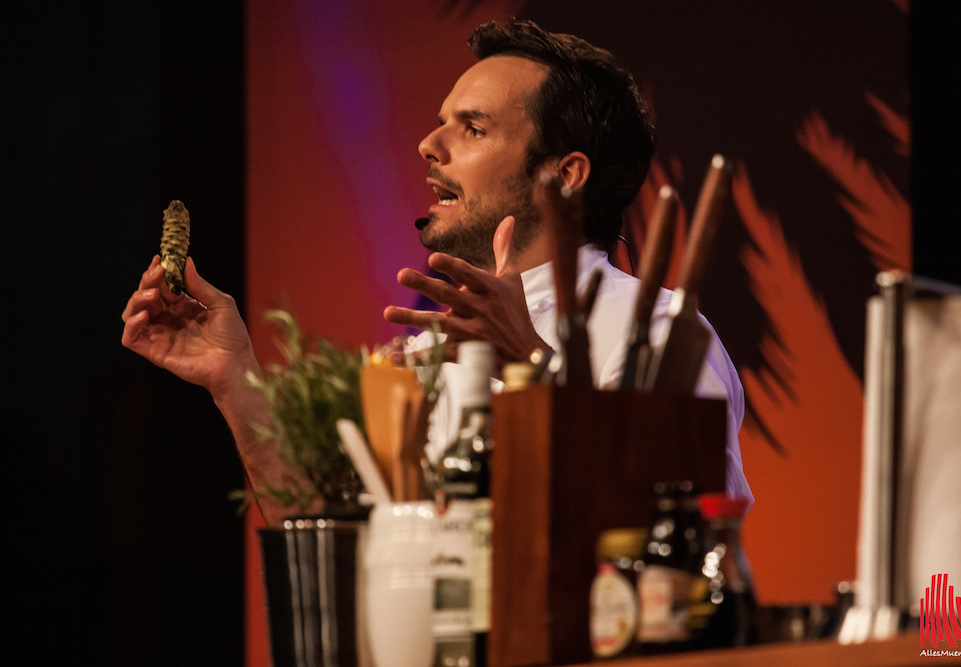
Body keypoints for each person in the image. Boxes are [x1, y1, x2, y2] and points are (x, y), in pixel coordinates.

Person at [121, 19, 751, 525]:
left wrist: (534, 369)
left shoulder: (662, 332)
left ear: (565, 174)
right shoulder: (427, 353)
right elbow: (326, 526)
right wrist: (234, 378)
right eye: (442, 121)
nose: (429, 143)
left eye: (472, 128)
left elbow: (680, 538)